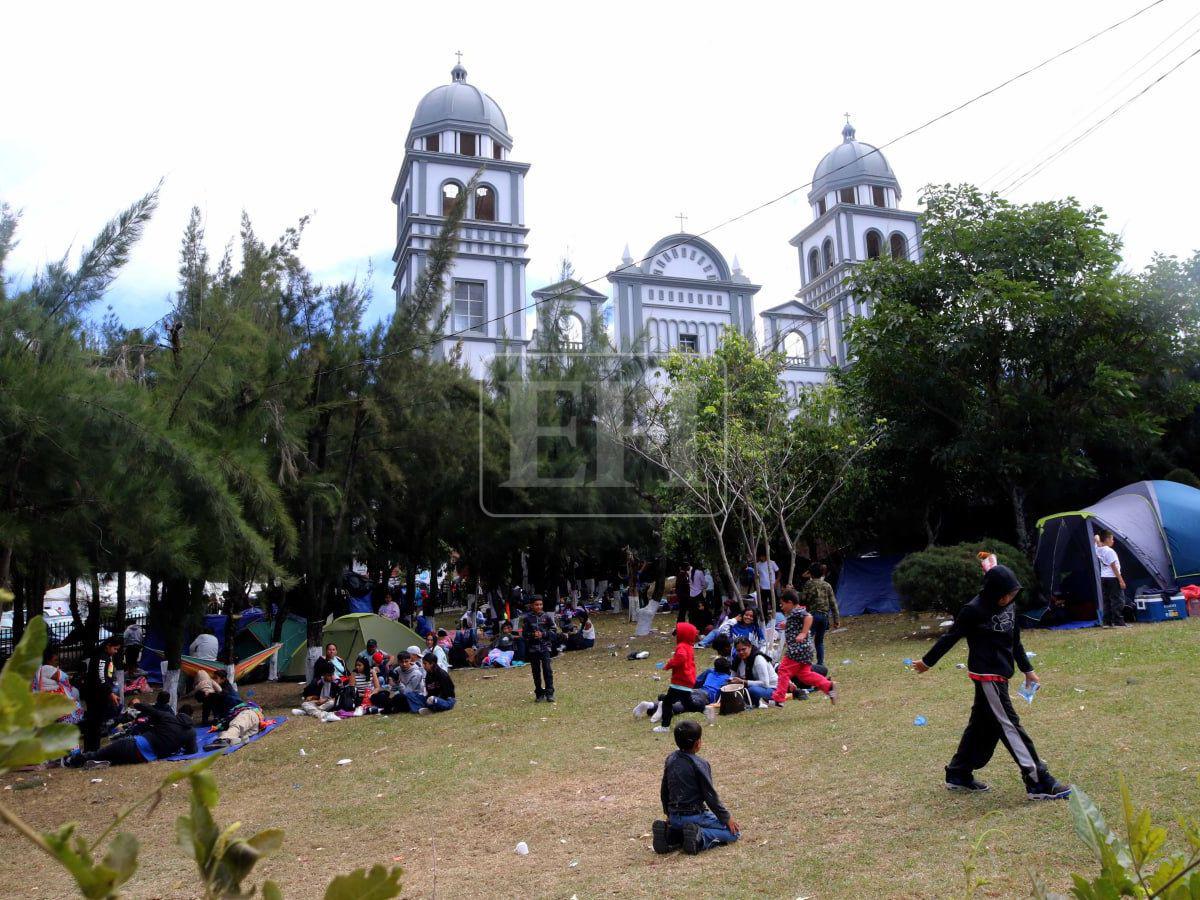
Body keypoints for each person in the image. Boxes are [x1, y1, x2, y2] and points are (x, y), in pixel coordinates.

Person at [913, 565, 1071, 800]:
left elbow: (1014, 640)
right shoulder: (973, 610)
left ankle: (959, 773)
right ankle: (1038, 780)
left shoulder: (1009, 605)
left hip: (1003, 673)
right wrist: (927, 662)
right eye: (1006, 594)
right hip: (987, 676)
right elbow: (950, 637)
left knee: (982, 726)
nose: (1010, 598)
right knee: (1009, 725)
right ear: (993, 592)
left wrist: (1028, 669)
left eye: (1013, 594)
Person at [654, 720, 740, 855]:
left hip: (675, 817)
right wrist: (726, 818)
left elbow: (664, 789)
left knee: (683, 827)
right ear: (697, 743)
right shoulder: (700, 764)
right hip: (695, 815)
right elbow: (710, 796)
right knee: (733, 833)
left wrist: (668, 813)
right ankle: (700, 837)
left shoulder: (670, 759)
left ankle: (671, 835)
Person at [66, 693, 197, 768]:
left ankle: (72, 761)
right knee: (115, 760)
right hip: (144, 758)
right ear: (190, 718)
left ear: (179, 713)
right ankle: (97, 763)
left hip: (134, 744)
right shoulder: (190, 733)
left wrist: (136, 704)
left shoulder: (168, 717)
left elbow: (149, 709)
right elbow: (193, 751)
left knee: (100, 753)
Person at [770, 590, 837, 706]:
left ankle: (778, 698)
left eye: (782, 604)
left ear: (790, 602)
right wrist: (786, 625)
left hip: (797, 650)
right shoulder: (795, 613)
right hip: (805, 650)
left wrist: (803, 633)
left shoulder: (797, 611)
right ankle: (828, 686)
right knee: (805, 675)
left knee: (783, 670)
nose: (781, 607)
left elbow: (809, 617)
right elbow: (798, 622)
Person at [635, 622, 699, 733]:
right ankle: (655, 707)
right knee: (672, 701)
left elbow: (681, 658)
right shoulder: (689, 647)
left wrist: (669, 665)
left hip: (682, 682)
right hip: (688, 684)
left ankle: (664, 723)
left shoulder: (682, 646)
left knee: (675, 703)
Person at [81, 636, 123, 752]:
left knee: (96, 722)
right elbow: (101, 678)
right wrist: (110, 693)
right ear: (108, 646)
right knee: (94, 722)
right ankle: (92, 749)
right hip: (96, 695)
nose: (116, 651)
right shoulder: (102, 658)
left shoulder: (105, 657)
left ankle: (93, 748)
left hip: (99, 694)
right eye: (115, 648)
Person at [203, 670, 264, 748]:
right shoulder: (216, 696)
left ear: (223, 679)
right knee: (242, 731)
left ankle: (224, 739)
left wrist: (216, 693)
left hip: (248, 713)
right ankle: (232, 739)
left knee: (237, 725)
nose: (214, 680)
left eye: (216, 678)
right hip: (245, 721)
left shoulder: (227, 693)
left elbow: (230, 699)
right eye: (213, 678)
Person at [798, 563, 841, 665]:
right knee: (819, 641)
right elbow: (833, 604)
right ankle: (820, 664)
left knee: (808, 639)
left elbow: (802, 601)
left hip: (812, 616)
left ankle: (806, 662)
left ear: (811, 574)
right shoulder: (827, 585)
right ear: (822, 573)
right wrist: (836, 620)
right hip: (824, 617)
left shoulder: (809, 584)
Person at [520, 596, 557, 703]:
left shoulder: (546, 617)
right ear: (532, 605)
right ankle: (539, 693)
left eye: (541, 604)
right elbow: (524, 634)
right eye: (536, 604)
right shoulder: (527, 618)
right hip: (533, 650)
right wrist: (532, 635)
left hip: (545, 648)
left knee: (547, 671)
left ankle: (550, 693)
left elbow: (554, 631)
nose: (539, 606)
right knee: (536, 672)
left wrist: (544, 634)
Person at [34, 647, 84, 724]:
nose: (57, 662)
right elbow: (63, 677)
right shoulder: (48, 668)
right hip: (55, 698)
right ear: (48, 660)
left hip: (46, 698)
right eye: (55, 660)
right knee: (75, 694)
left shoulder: (39, 669)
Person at [731, 637, 778, 707]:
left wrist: (743, 682)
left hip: (771, 688)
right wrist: (731, 681)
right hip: (752, 686)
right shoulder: (738, 659)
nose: (741, 652)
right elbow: (733, 676)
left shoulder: (759, 659)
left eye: (743, 649)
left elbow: (765, 684)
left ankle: (765, 701)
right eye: (738, 650)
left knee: (752, 690)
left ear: (750, 647)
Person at [1095, 529, 1128, 627]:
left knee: (1107, 601)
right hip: (1113, 578)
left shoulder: (1098, 548)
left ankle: (1107, 622)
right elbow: (1113, 567)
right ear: (1107, 539)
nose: (1113, 541)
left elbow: (1096, 536)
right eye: (1112, 539)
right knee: (1118, 600)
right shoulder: (1110, 551)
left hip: (1104, 577)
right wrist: (1121, 580)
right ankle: (1118, 622)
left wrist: (1099, 542)